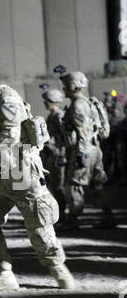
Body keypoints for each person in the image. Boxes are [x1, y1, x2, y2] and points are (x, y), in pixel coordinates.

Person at [0, 49, 75, 291]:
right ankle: (3, 274)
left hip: (21, 173)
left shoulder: (5, 96)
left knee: (39, 224)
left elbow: (11, 134)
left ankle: (59, 270)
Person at [58, 70, 116, 229]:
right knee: (98, 183)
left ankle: (73, 219)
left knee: (74, 183)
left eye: (65, 86)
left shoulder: (78, 105)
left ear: (71, 86)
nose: (63, 89)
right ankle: (108, 215)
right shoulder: (87, 102)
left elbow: (82, 131)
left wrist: (80, 154)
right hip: (95, 149)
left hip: (84, 150)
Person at [40, 85, 66, 221]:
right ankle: (58, 215)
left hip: (57, 155)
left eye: (47, 101)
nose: (45, 103)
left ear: (52, 101)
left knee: (58, 186)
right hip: (51, 154)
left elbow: (64, 137)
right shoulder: (52, 115)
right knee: (52, 186)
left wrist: (61, 153)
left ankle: (62, 215)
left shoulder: (58, 116)